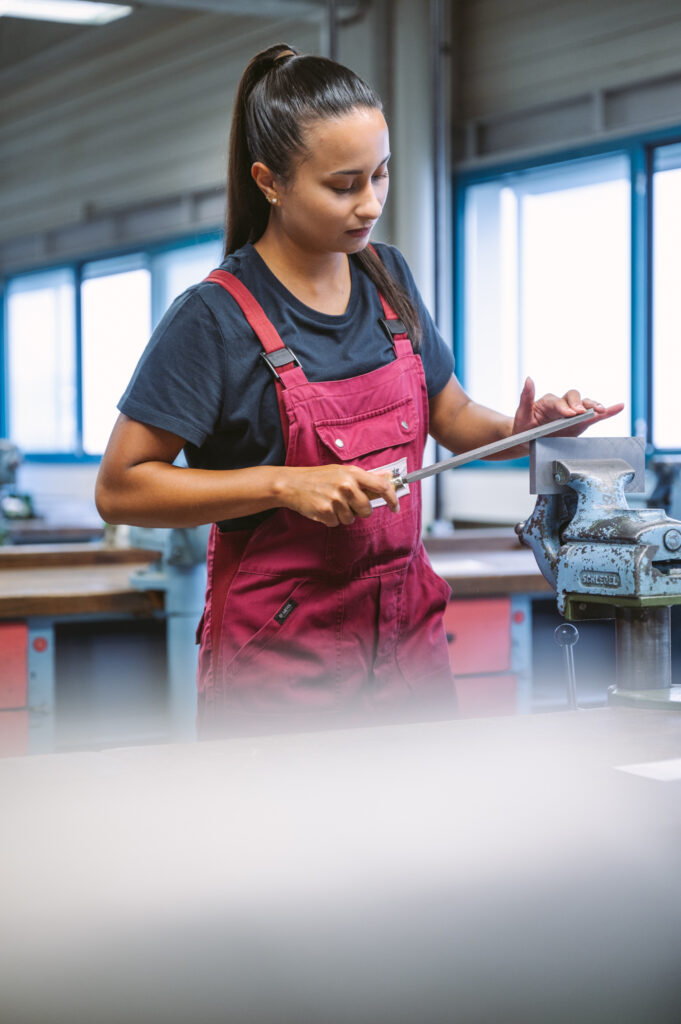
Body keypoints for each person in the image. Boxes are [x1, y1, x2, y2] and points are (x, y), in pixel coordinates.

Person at [95, 43, 623, 737]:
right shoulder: (214, 318)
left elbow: (451, 414)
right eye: (343, 185)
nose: (369, 204)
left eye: (380, 175)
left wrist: (522, 431)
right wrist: (284, 485)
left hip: (409, 652)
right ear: (270, 181)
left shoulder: (385, 276)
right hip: (280, 672)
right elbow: (122, 487)